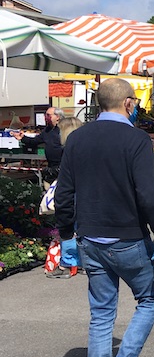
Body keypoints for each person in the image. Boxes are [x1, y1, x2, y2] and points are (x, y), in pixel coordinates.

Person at [54, 78, 154, 357]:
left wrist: (65, 235)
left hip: (90, 238)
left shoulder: (77, 138)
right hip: (127, 237)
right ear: (129, 104)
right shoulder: (136, 139)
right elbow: (147, 195)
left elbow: (64, 194)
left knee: (102, 314)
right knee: (150, 299)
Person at [45, 116, 84, 279]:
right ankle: (80, 262)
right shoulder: (85, 150)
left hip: (70, 194)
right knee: (80, 229)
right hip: (85, 195)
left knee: (67, 227)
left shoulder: (67, 151)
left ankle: (68, 264)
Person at [14, 106, 64, 183]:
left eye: (48, 115)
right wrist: (22, 138)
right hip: (51, 166)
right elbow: (35, 141)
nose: (45, 117)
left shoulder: (63, 129)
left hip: (63, 165)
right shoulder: (47, 130)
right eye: (45, 115)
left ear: (57, 117)